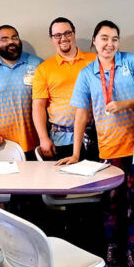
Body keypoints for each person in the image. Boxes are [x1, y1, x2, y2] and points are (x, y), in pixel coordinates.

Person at [58, 20, 134, 267]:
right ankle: (113, 251)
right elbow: (81, 114)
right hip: (108, 150)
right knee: (111, 204)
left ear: (118, 42)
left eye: (114, 39)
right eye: (104, 38)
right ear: (94, 41)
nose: (109, 43)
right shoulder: (87, 73)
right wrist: (76, 153)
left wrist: (124, 104)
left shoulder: (131, 61)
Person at [32, 17, 98, 160]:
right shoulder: (44, 69)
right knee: (66, 181)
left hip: (95, 136)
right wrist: (43, 138)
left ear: (74, 34)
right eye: (57, 35)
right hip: (62, 140)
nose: (63, 38)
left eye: (68, 33)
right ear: (52, 39)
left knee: (97, 181)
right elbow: (38, 107)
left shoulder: (95, 60)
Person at [0, 24, 43, 157]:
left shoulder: (37, 64)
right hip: (0, 145)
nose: (11, 42)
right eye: (4, 39)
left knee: (34, 177)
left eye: (14, 37)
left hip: (34, 141)